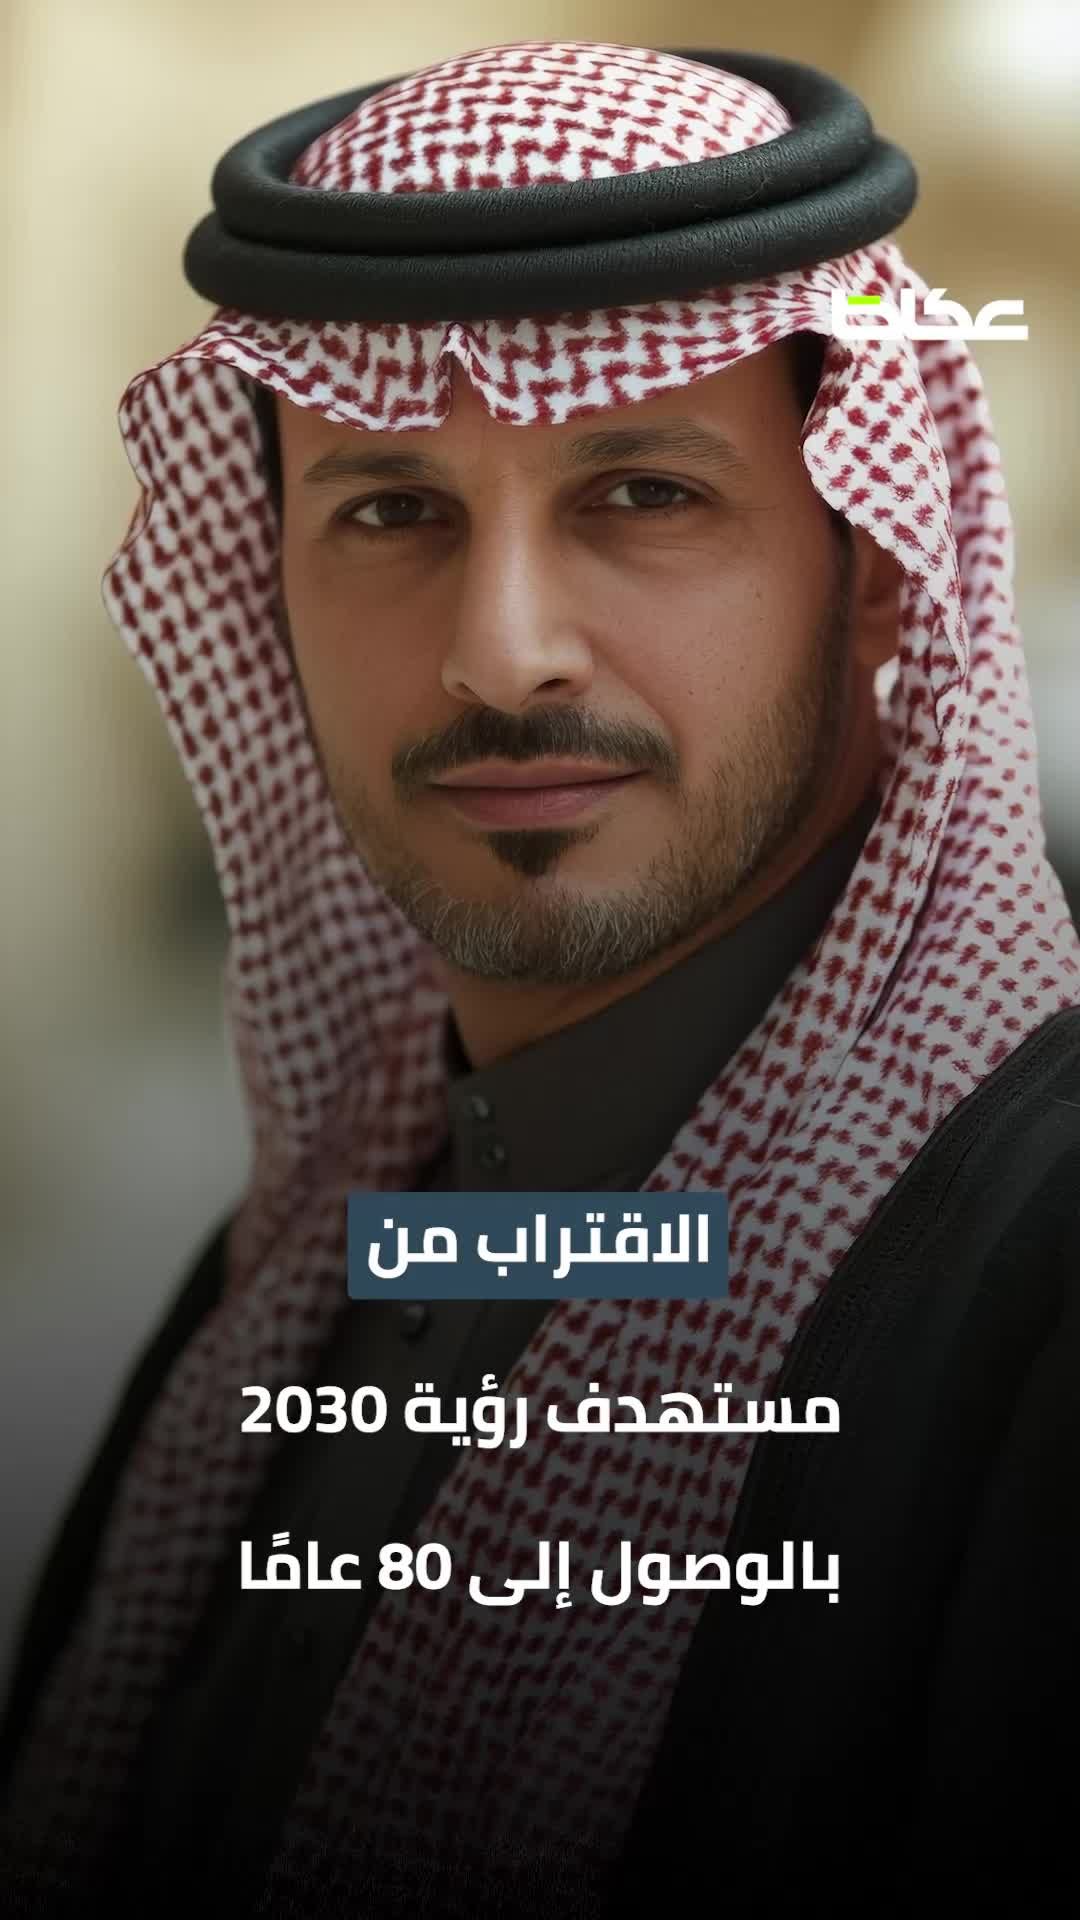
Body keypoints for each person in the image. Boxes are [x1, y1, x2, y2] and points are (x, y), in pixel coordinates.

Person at [2, 38, 1079, 1919]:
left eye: (643, 493)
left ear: (877, 566)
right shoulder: (334, 1259)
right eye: (390, 510)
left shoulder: (1040, 1299)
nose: (501, 656)